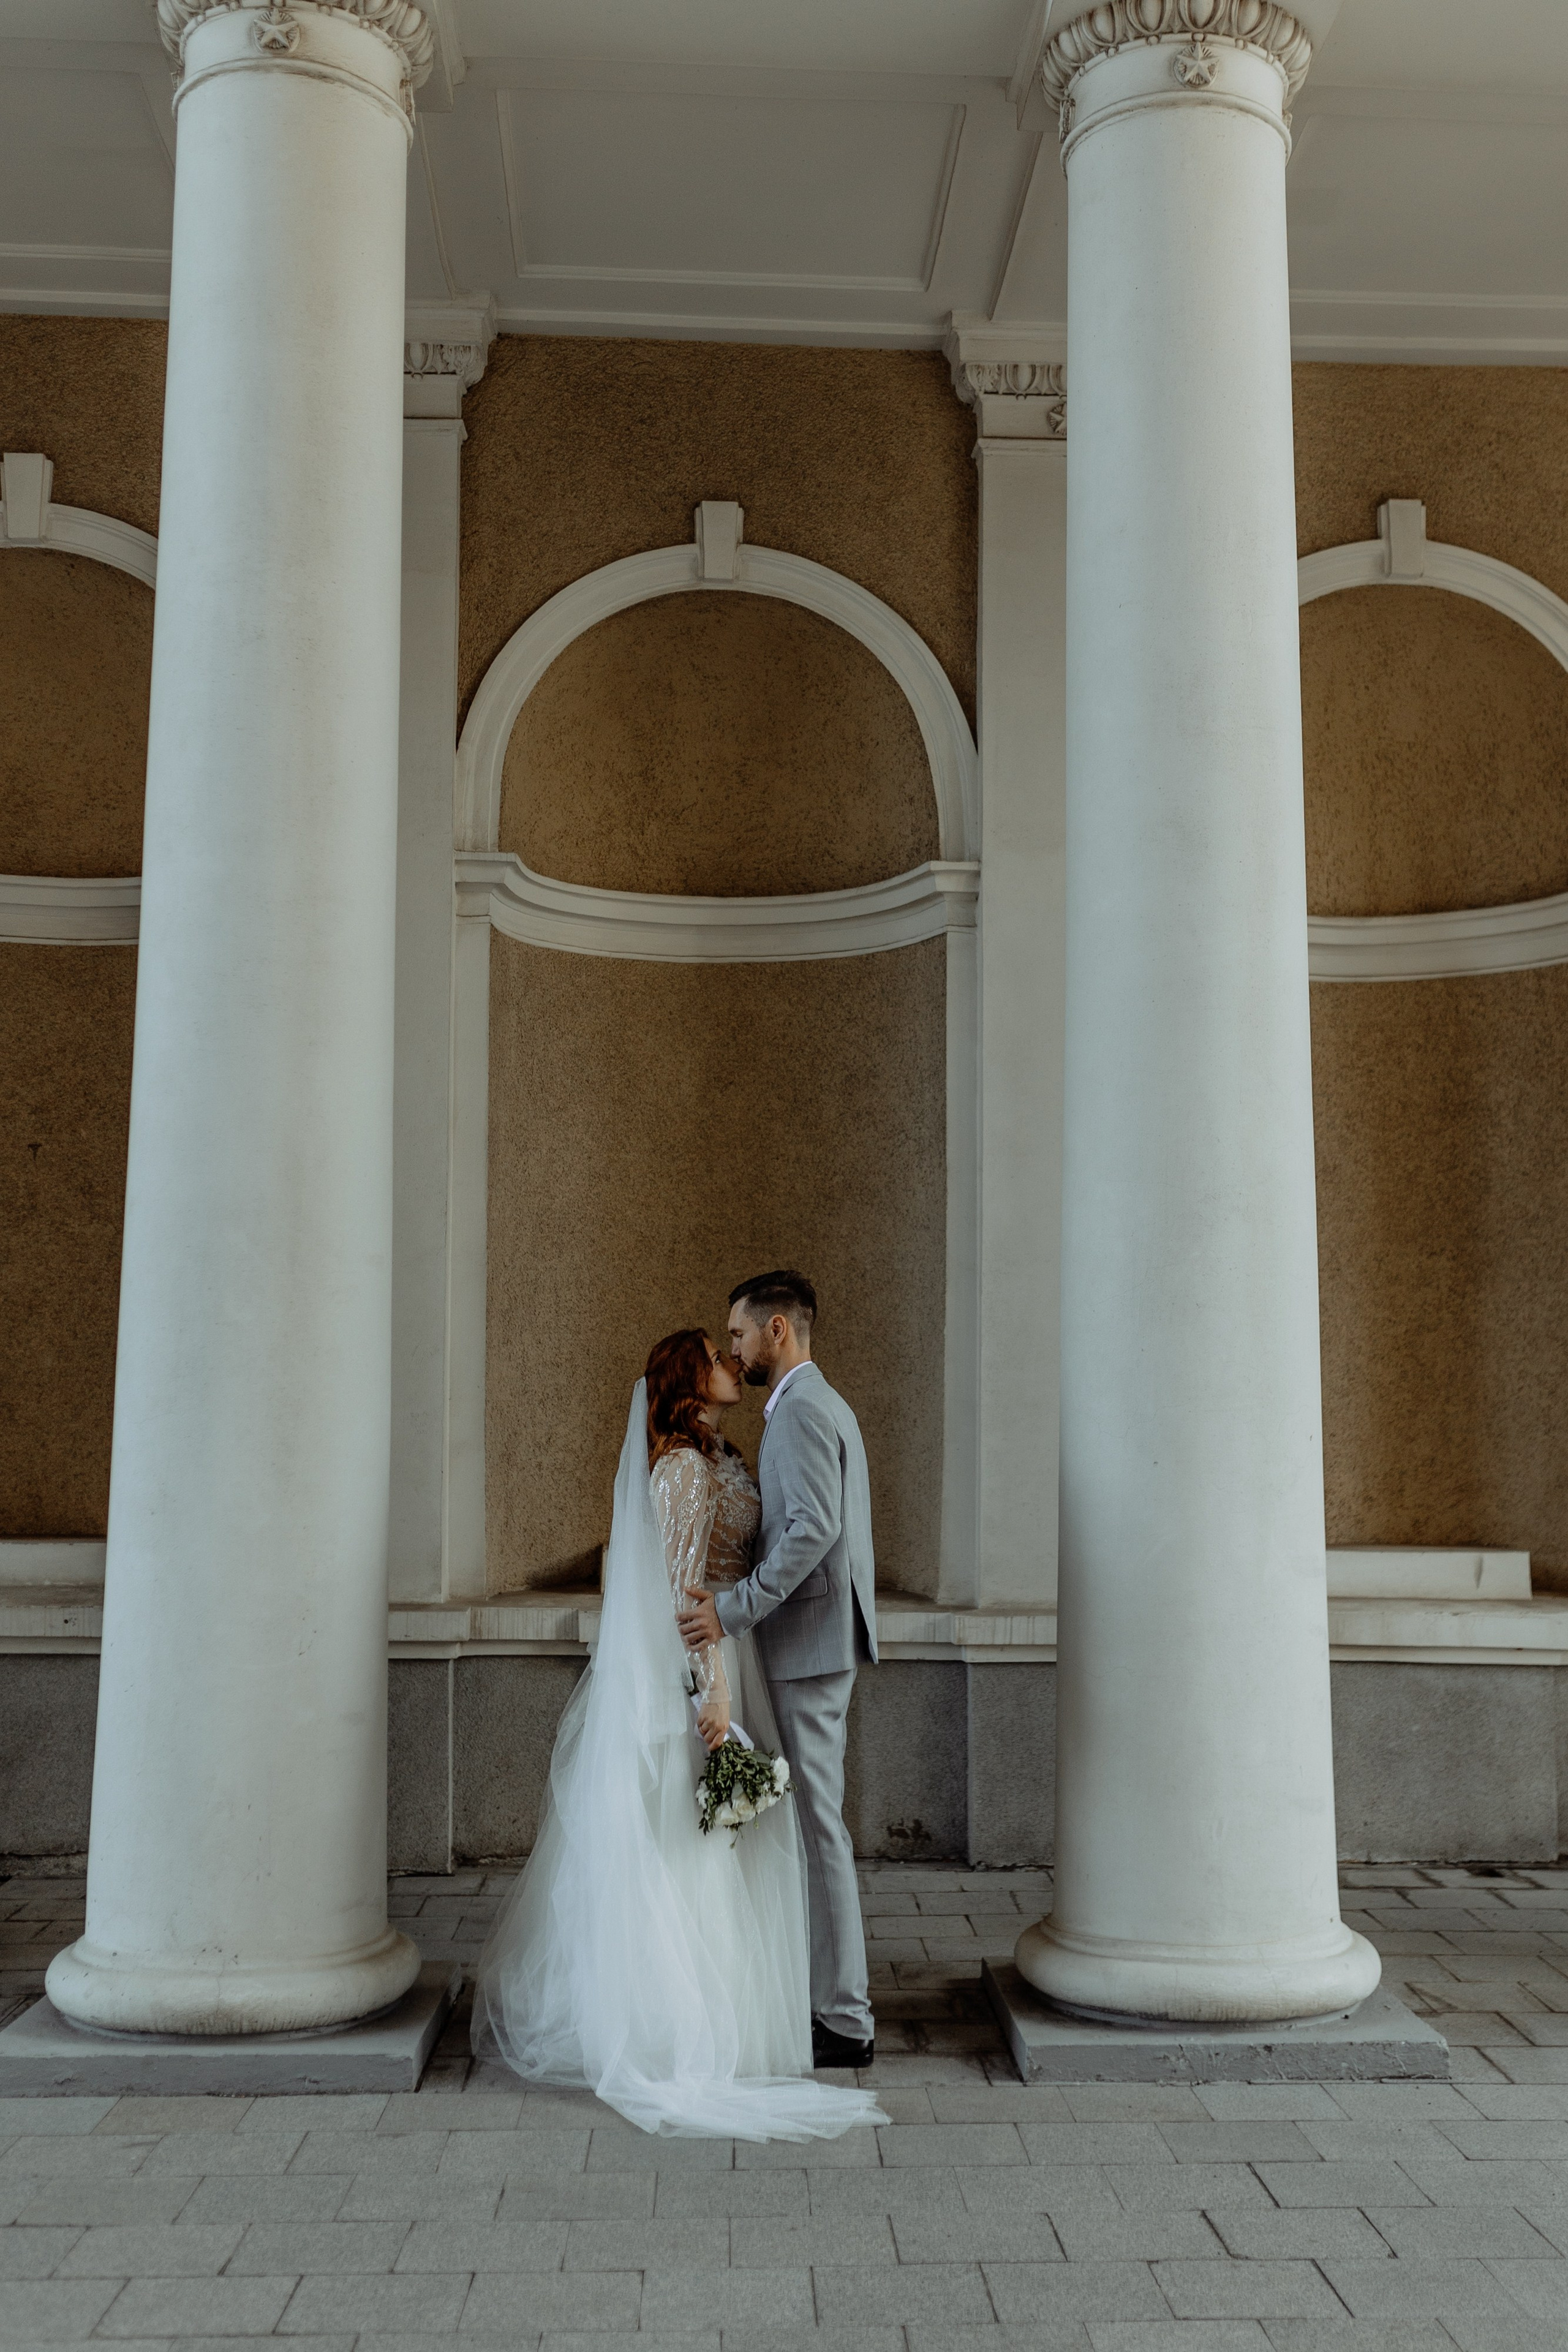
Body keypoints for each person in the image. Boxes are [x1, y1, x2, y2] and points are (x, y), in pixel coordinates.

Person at [470, 1328, 884, 2141]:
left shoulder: (721, 1458)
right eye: (716, 1355)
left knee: (741, 1841)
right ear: (690, 1381)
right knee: (703, 1843)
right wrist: (714, 1691)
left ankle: (754, 2008)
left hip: (745, 1650)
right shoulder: (685, 1471)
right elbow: (682, 1592)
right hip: (713, 1663)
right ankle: (690, 2017)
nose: (732, 1362)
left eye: (733, 1349)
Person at [677, 1270, 878, 2069]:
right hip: (816, 1640)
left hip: (808, 1643)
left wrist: (731, 1612)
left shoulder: (798, 1411)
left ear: (777, 1332)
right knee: (812, 1824)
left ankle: (844, 2019)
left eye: (738, 1334)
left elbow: (811, 1532)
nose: (732, 1346)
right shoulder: (816, 1403)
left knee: (820, 1828)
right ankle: (829, 2003)